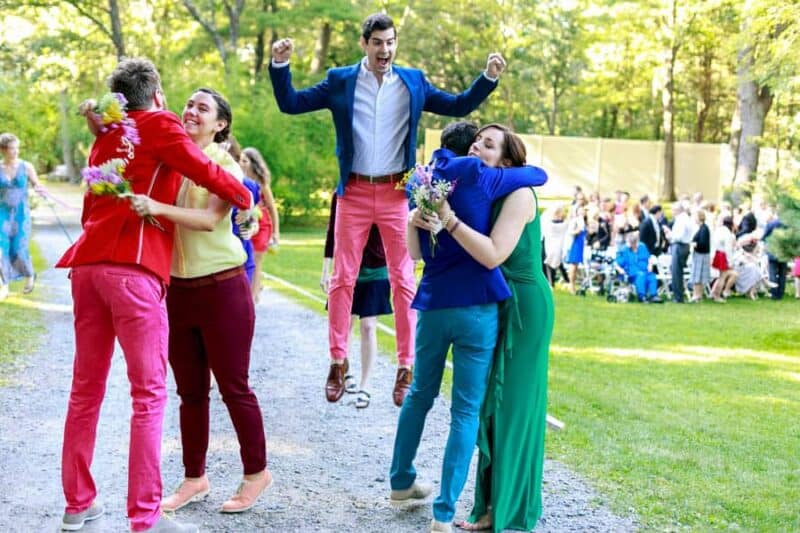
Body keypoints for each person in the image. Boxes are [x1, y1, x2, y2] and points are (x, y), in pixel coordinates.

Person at [269, 12, 506, 407]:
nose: (385, 49)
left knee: (403, 279)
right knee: (343, 277)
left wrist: (488, 77)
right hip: (356, 192)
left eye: (391, 42)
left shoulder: (412, 81)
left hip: (397, 192)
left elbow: (459, 104)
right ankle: (337, 360)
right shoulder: (341, 80)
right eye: (378, 42)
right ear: (365, 44)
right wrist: (280, 65)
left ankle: (404, 366)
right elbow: (291, 103)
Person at [56, 59, 252, 533]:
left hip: (87, 269)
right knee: (149, 394)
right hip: (133, 271)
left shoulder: (108, 134)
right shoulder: (158, 124)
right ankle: (145, 517)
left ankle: (77, 504)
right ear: (158, 94)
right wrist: (245, 197)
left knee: (86, 390)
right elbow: (206, 171)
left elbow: (91, 204)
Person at [390, 122, 547, 533]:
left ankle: (496, 503)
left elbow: (488, 252)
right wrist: (417, 216)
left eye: (489, 144)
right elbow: (418, 247)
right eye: (477, 140)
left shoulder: (466, 184)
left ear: (506, 161)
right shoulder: (468, 182)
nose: (478, 147)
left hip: (508, 302)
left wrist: (437, 215)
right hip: (483, 303)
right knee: (474, 409)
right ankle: (457, 508)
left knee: (500, 406)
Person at [128, 88, 272, 515]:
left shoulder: (226, 167)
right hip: (177, 292)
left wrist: (156, 206)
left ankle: (256, 473)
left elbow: (211, 220)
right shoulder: (169, 160)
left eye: (202, 108)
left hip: (222, 289)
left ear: (220, 124)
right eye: (188, 104)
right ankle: (195, 478)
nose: (191, 111)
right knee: (189, 392)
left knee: (234, 387)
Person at [321, 193, 392, 408]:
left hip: (378, 267)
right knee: (345, 323)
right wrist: (326, 270)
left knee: (369, 326)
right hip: (347, 267)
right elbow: (333, 230)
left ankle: (365, 385)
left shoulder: (389, 190)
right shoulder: (342, 192)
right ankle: (344, 369)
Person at [0, 133, 46, 296]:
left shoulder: (26, 166)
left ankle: (29, 275)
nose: (16, 151)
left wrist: (40, 189)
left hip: (21, 214)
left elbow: (36, 184)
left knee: (19, 248)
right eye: (12, 148)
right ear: (3, 150)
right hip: (2, 214)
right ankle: (4, 285)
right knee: (1, 248)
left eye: (17, 148)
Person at [240, 147, 280, 303]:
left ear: (252, 164)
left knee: (256, 260)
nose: (241, 163)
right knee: (246, 258)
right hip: (247, 221)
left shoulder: (261, 183)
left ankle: (253, 296)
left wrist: (276, 232)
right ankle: (252, 289)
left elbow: (272, 208)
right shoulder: (238, 178)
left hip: (262, 225)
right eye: (240, 160)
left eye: (245, 161)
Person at [668, 202, 693, 303]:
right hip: (683, 245)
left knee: (676, 272)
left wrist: (670, 235)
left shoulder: (681, 220)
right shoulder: (686, 218)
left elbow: (679, 236)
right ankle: (678, 295)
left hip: (679, 245)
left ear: (677, 210)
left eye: (673, 210)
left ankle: (678, 297)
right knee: (677, 271)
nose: (672, 212)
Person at [709, 216, 738, 303]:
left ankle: (713, 293)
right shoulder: (728, 234)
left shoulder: (718, 230)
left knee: (720, 276)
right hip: (722, 254)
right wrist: (730, 261)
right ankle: (717, 295)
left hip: (716, 253)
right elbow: (728, 249)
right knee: (722, 277)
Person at [689, 209, 711, 302]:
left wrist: (694, 245)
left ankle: (697, 295)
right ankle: (698, 295)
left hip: (701, 255)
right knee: (698, 276)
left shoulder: (704, 229)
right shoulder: (702, 228)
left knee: (698, 276)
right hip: (700, 254)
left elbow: (703, 243)